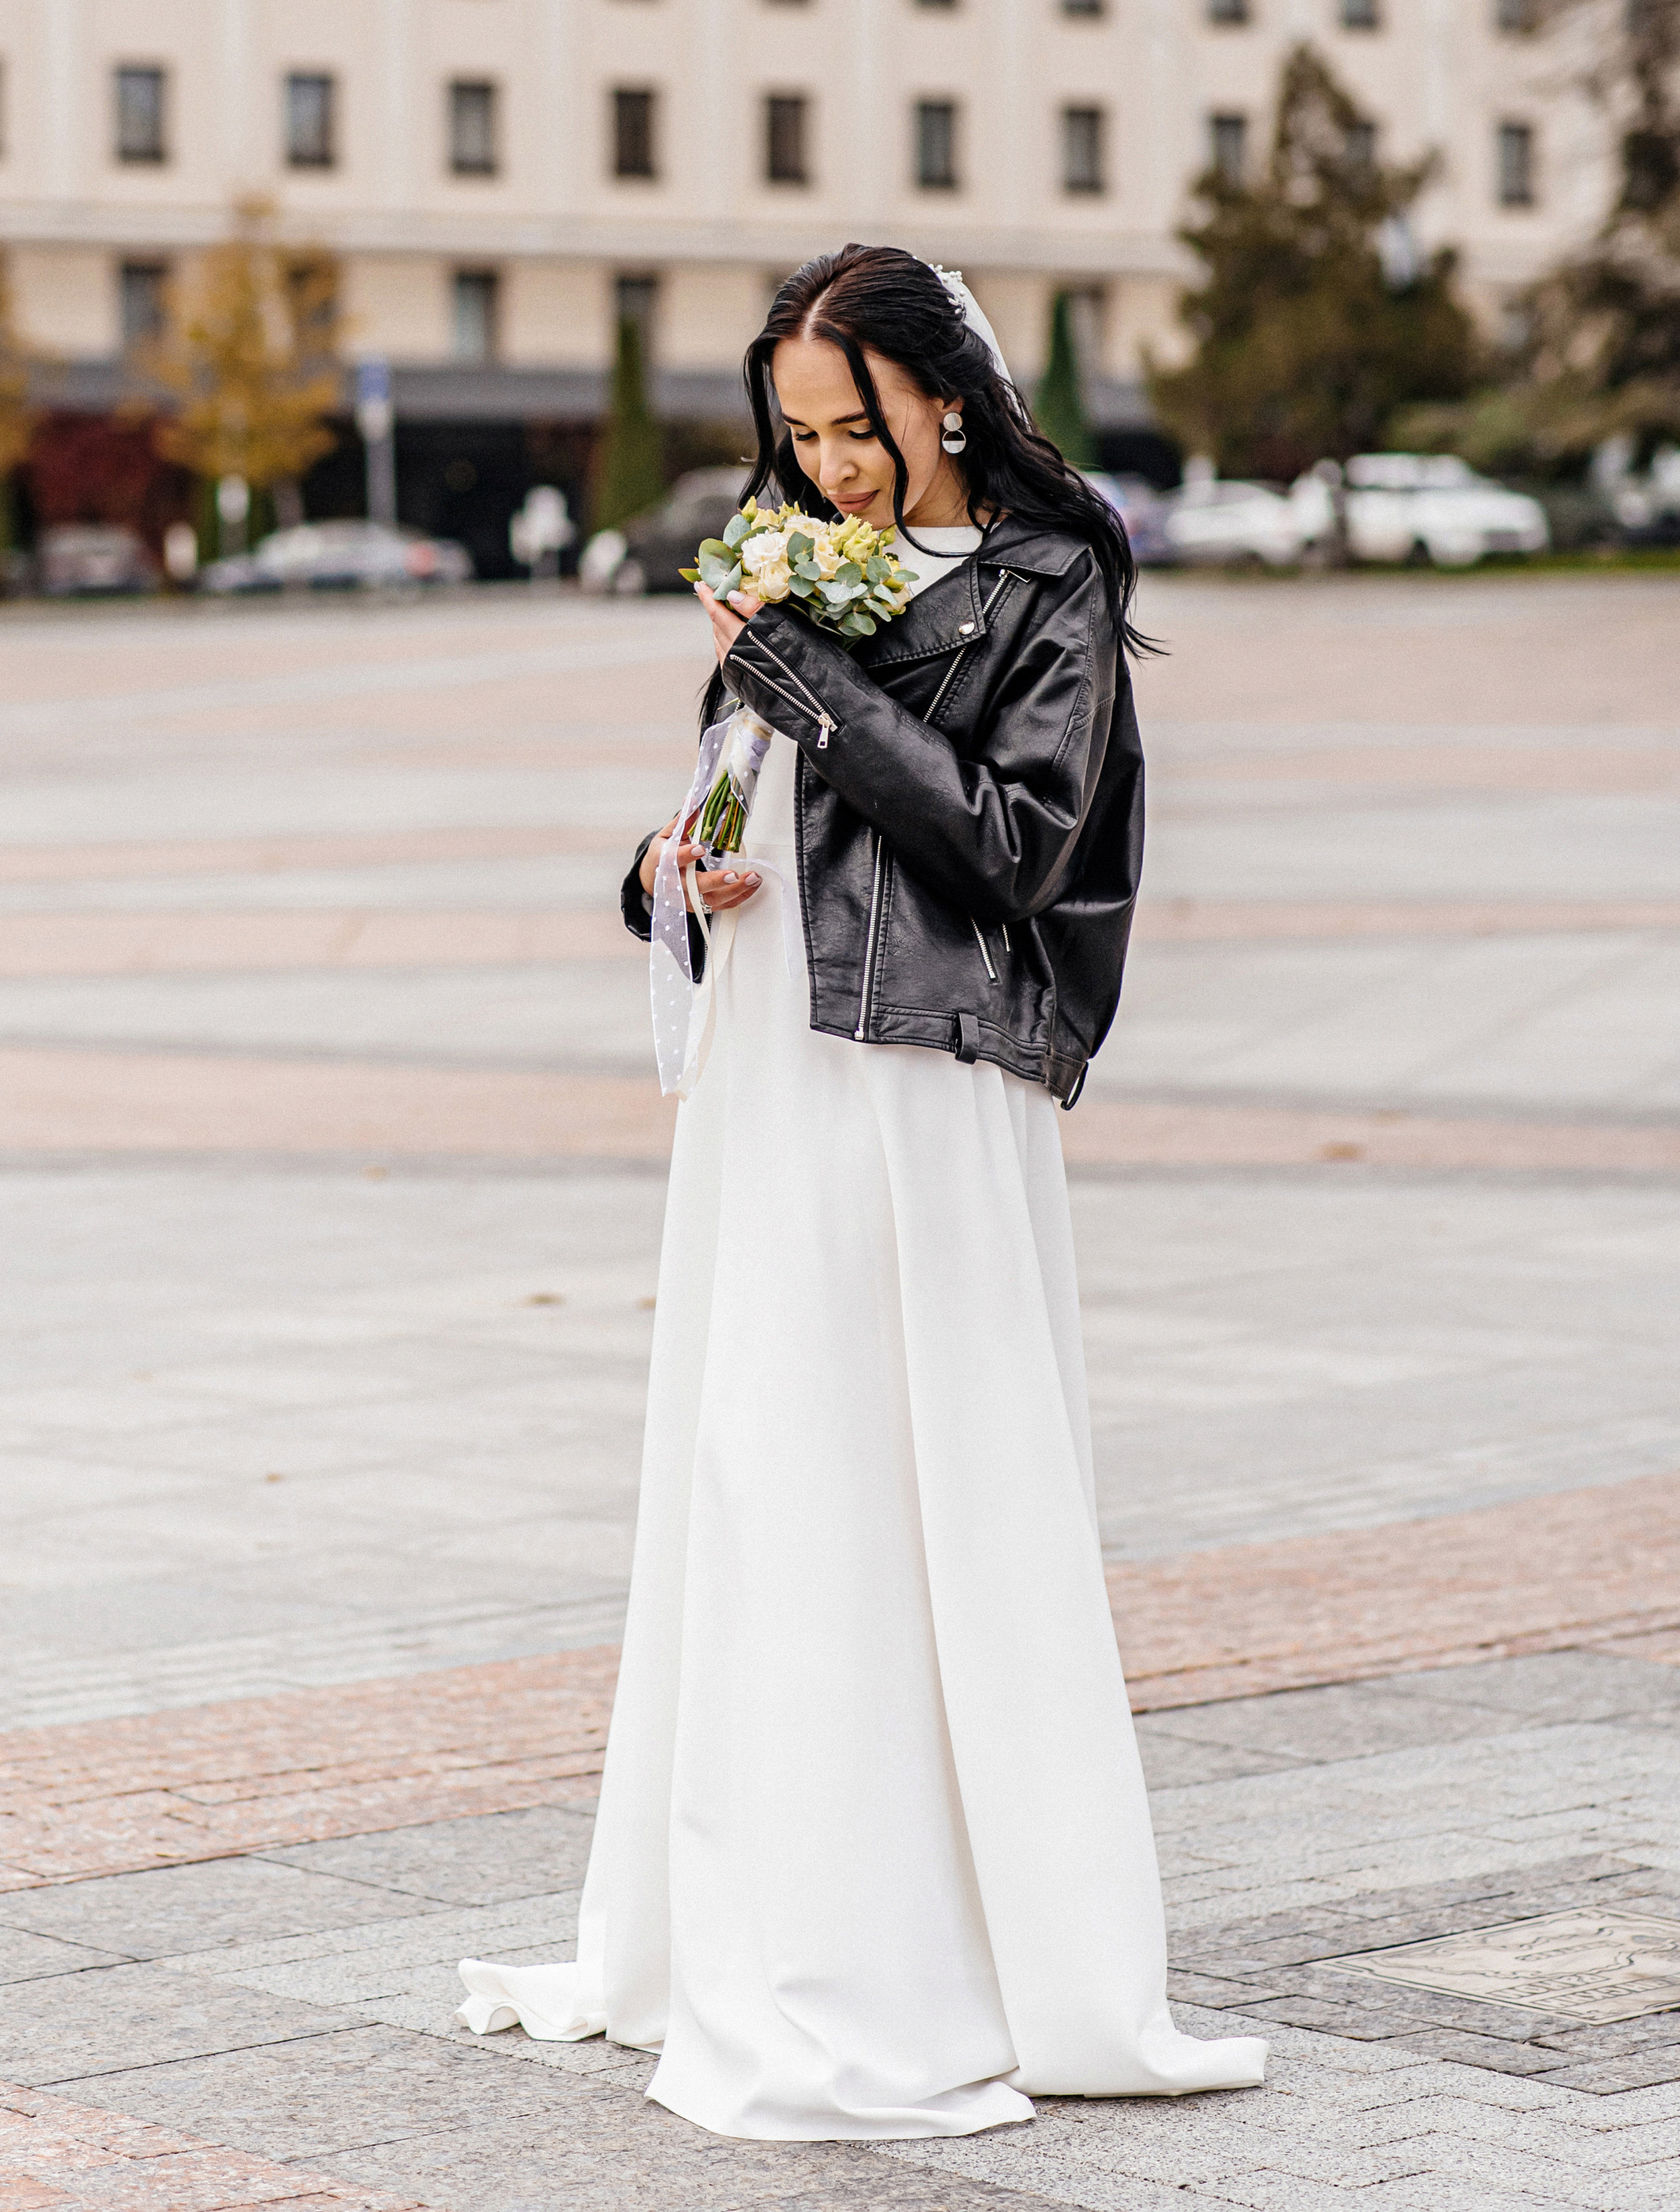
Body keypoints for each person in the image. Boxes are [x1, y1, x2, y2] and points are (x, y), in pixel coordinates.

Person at [459, 242, 1266, 2140]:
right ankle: (759, 1905)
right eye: (797, 431)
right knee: (765, 1476)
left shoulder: (1044, 582)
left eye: (855, 427)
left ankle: (964, 1947)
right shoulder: (779, 568)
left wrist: (805, 676)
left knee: (931, 1489)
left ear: (949, 402)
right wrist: (668, 874)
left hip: (918, 1098)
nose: (823, 466)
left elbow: (1011, 846)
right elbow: (730, 808)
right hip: (767, 1091)